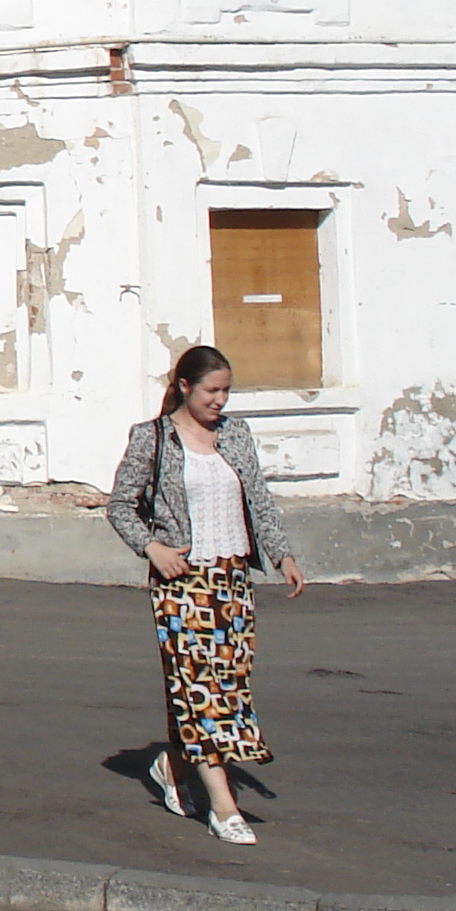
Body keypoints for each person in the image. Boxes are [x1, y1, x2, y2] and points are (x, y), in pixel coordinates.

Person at [106, 344, 308, 845]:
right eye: (212, 391)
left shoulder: (235, 434)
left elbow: (257, 497)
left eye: (226, 392)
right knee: (200, 689)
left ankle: (174, 765)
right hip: (182, 583)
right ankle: (223, 806)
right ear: (184, 387)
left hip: (233, 580)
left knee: (227, 683)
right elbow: (119, 507)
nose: (220, 401)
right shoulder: (152, 439)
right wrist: (152, 549)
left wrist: (282, 555)